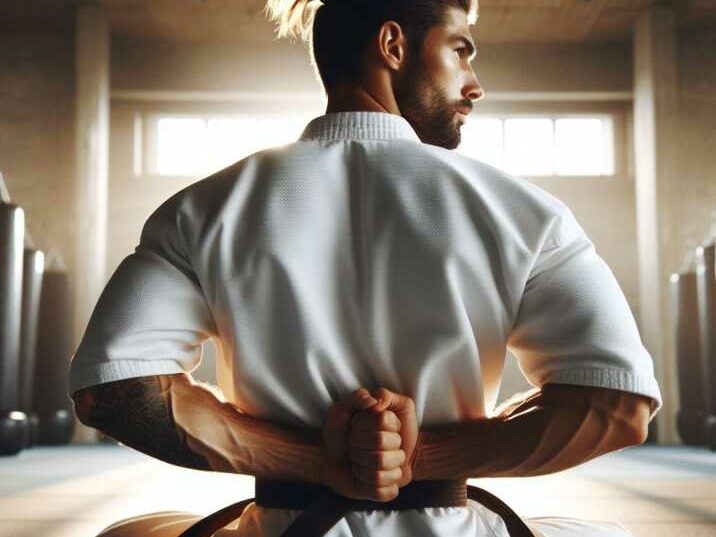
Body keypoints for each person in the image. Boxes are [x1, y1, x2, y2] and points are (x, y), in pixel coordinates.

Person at [68, 0, 663, 535]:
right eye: (460, 50)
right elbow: (614, 404)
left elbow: (116, 390)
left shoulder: (202, 208)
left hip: (281, 527)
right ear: (393, 45)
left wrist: (315, 463)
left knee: (130, 531)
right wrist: (421, 457)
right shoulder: (525, 212)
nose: (475, 85)